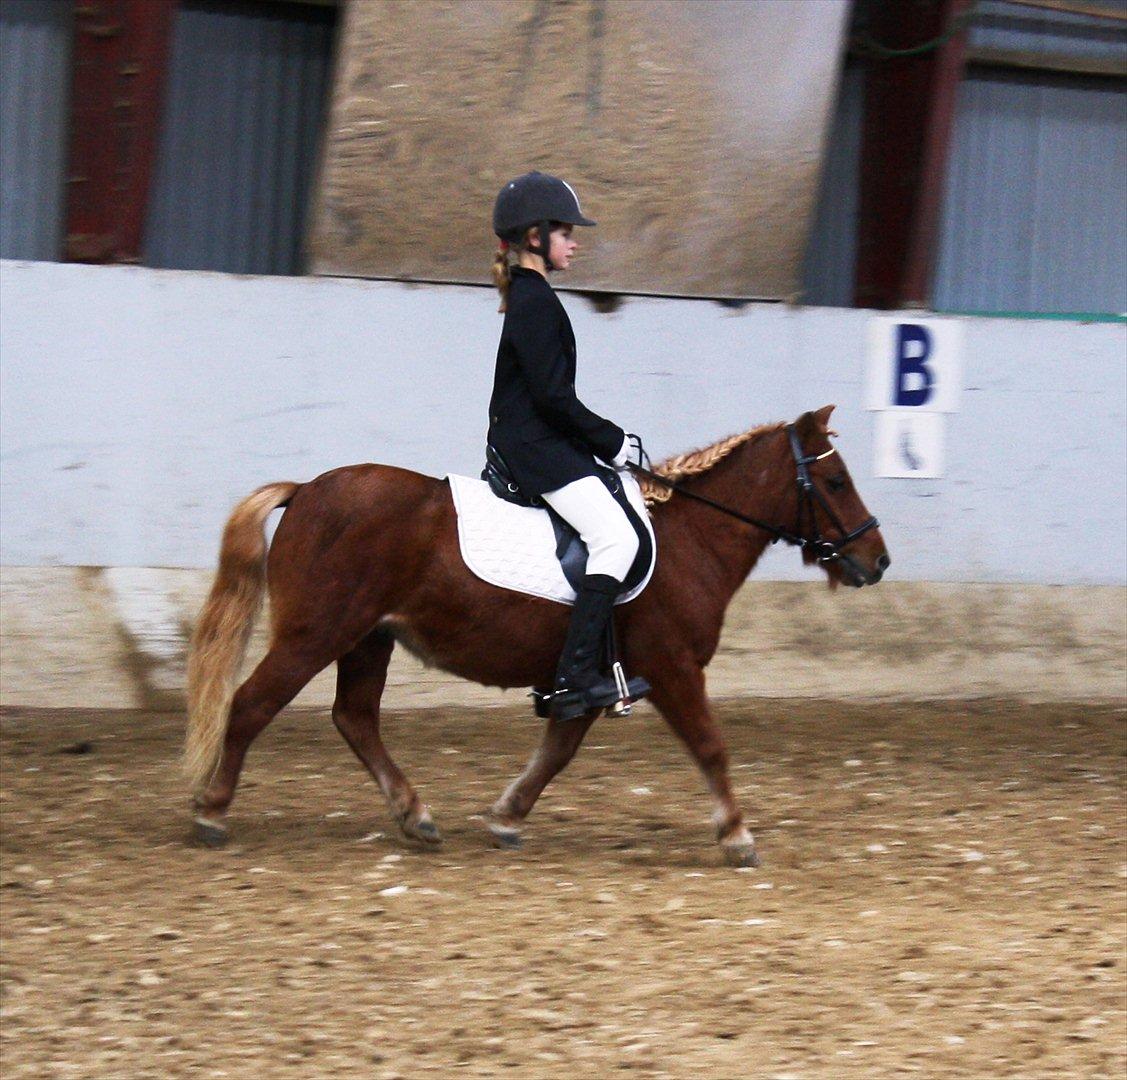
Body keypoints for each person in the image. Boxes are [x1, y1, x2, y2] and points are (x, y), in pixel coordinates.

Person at [488, 170, 648, 721]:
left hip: (540, 438)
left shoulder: (531, 296)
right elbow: (553, 398)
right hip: (533, 445)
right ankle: (573, 679)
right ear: (535, 237)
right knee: (616, 539)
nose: (574, 241)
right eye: (564, 231)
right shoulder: (533, 301)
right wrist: (613, 441)